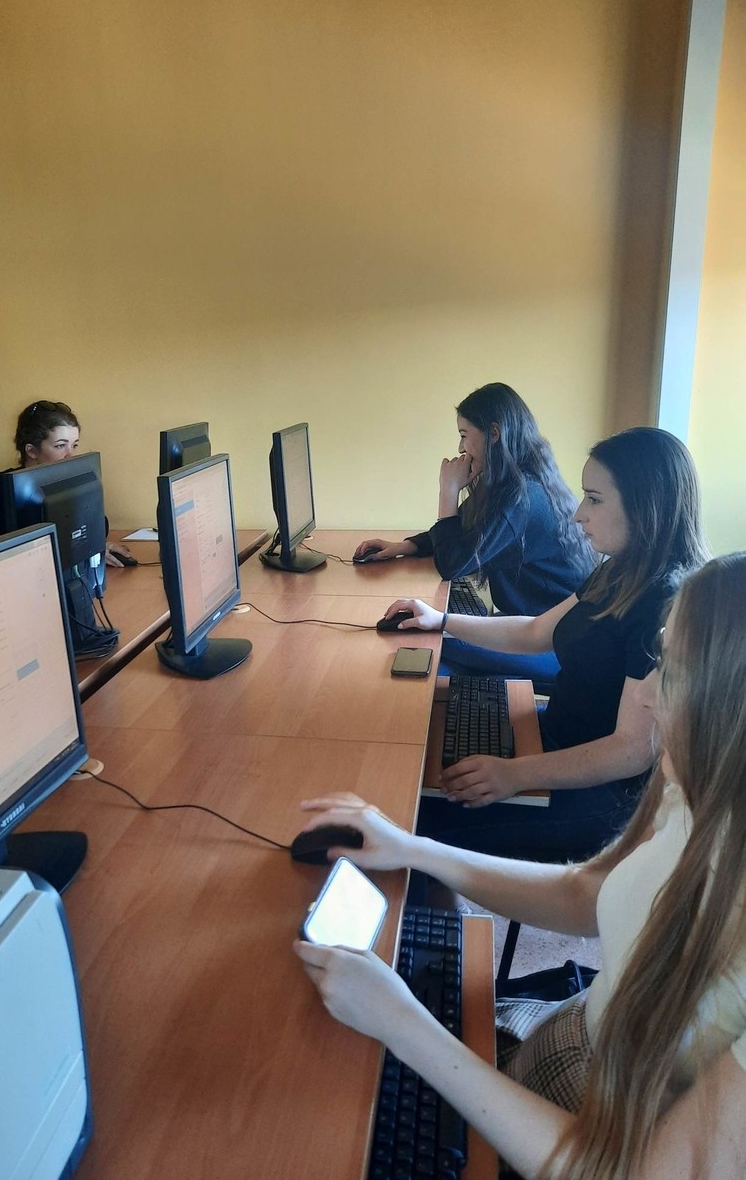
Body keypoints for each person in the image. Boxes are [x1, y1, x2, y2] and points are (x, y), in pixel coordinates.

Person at [294, 553, 746, 1180]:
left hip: (585, 1141)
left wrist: (402, 1023)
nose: (645, 695)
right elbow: (587, 894)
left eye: (673, 670)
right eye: (658, 657)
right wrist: (413, 848)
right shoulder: (699, 790)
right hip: (568, 1049)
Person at [385, 426, 708, 863]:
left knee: (408, 816)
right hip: (556, 739)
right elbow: (536, 632)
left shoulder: (664, 602)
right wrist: (441, 620)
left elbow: (633, 750)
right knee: (425, 743)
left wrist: (516, 774)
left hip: (602, 795)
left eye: (594, 499)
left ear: (644, 505)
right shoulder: (620, 570)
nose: (578, 514)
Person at [355, 384, 594, 688]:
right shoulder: (515, 482)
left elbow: (452, 564)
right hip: (531, 627)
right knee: (430, 648)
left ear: (493, 433)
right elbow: (463, 530)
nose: (460, 448)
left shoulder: (522, 498)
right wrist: (406, 546)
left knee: (426, 650)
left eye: (464, 435)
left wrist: (448, 490)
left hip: (554, 643)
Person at [0, 400, 134, 564]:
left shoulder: (66, 482)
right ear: (31, 451)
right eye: (60, 446)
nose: (70, 455)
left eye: (74, 445)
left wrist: (94, 547)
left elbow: (96, 525)